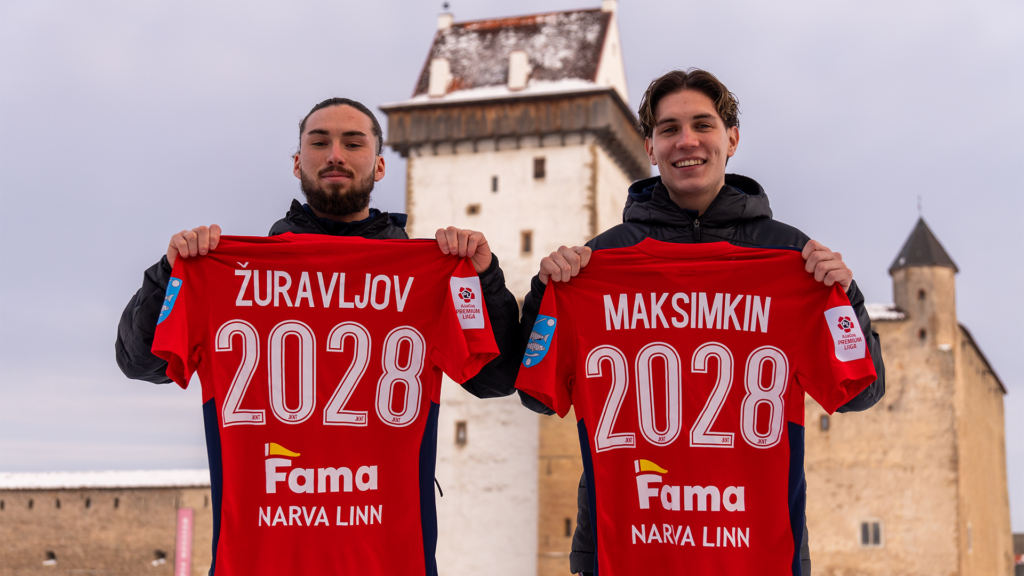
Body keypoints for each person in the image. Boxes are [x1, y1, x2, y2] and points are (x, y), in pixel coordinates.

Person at [519, 69, 886, 576]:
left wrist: (846, 296)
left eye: (702, 125)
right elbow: (536, 393)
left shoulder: (792, 259)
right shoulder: (595, 265)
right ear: (650, 147)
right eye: (669, 129)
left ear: (731, 139)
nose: (686, 141)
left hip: (756, 554)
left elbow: (861, 391)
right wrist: (549, 294)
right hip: (625, 551)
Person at [115, 97, 520, 399]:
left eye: (354, 144)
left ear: (379, 165)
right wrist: (171, 274)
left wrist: (482, 281)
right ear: (297, 163)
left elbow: (495, 380)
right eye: (320, 142)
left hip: (384, 490)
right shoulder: (235, 275)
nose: (336, 156)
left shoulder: (426, 280)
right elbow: (142, 363)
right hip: (275, 486)